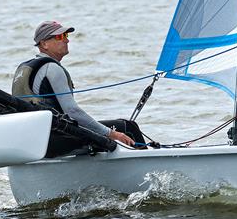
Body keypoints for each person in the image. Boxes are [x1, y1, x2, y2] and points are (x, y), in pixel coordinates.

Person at [12, 20, 145, 152]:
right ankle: (147, 166)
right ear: (44, 44)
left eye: (66, 36)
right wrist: (111, 133)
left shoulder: (24, 68)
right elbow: (72, 112)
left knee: (95, 133)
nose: (66, 41)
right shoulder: (52, 68)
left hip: (33, 142)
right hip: (55, 139)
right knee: (128, 127)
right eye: (59, 37)